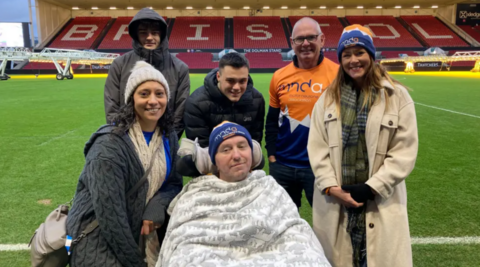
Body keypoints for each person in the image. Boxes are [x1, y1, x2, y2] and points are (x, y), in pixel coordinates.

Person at [307, 25, 418, 267]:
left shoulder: (396, 96)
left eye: (359, 52)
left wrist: (371, 188)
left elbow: (404, 151)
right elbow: (317, 149)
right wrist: (330, 187)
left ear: (371, 55)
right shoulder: (326, 99)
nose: (353, 60)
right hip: (336, 201)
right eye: (346, 55)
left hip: (381, 200)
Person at [156, 122, 331, 267]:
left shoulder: (269, 186)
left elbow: (293, 229)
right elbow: (182, 239)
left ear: (252, 153)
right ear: (214, 160)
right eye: (225, 150)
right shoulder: (195, 194)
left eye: (242, 146)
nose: (237, 155)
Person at [67, 61, 183, 267]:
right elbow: (111, 219)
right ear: (131, 99)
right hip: (99, 236)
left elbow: (174, 183)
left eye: (159, 93)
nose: (153, 101)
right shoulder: (109, 146)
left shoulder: (169, 135)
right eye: (144, 94)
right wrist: (135, 263)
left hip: (142, 228)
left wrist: (156, 206)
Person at [265, 17, 338, 208]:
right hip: (283, 165)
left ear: (322, 39)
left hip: (321, 166)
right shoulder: (279, 76)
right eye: (300, 39)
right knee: (282, 223)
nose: (305, 43)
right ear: (292, 43)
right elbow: (272, 120)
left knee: (328, 225)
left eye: (311, 37)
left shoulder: (339, 75)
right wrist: (272, 155)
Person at [104, 8, 190, 138]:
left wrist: (168, 140)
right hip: (127, 139)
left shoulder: (180, 68)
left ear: (162, 34)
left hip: (164, 140)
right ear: (136, 35)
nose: (149, 37)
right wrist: (122, 138)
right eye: (143, 33)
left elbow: (180, 111)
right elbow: (111, 106)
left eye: (155, 33)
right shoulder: (119, 64)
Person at [184, 52, 265, 147]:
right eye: (230, 81)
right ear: (218, 76)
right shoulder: (196, 103)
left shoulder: (257, 100)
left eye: (242, 81)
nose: (237, 87)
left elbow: (254, 143)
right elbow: (201, 150)